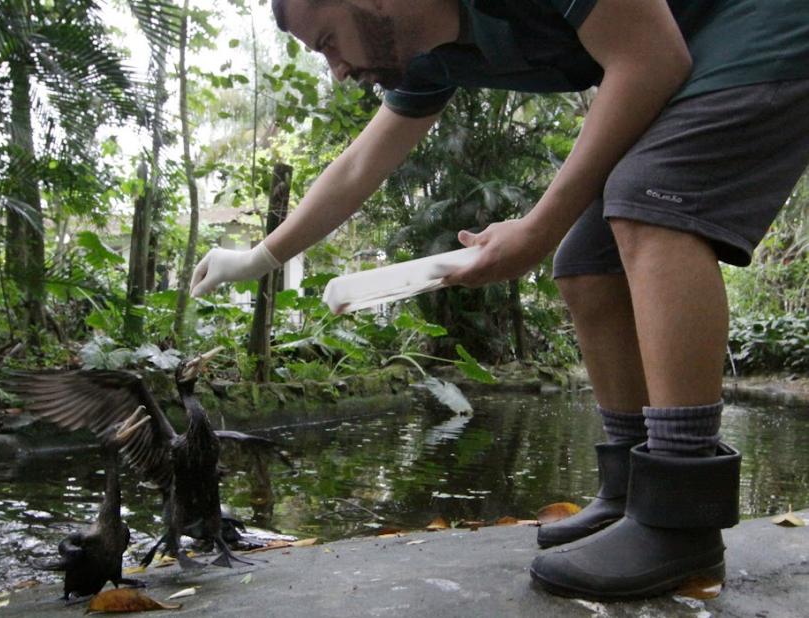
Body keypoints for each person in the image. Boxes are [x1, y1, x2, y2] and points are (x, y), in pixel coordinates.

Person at [190, 0, 809, 600]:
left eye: (327, 42)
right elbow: (359, 167)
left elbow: (648, 60)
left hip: (762, 21)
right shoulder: (433, 52)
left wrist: (536, 229)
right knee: (587, 266)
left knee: (652, 206)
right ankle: (631, 494)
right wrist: (257, 258)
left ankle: (680, 518)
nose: (338, 69)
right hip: (686, 49)